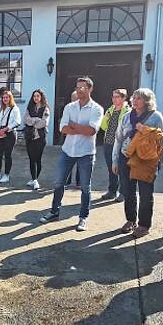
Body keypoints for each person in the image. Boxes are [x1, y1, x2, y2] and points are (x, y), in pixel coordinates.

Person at [40, 77, 104, 231]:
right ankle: (54, 212)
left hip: (86, 153)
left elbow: (92, 131)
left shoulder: (97, 109)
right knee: (59, 183)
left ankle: (83, 217)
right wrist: (80, 128)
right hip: (68, 151)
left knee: (85, 187)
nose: (79, 90)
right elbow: (62, 128)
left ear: (90, 89)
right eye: (77, 87)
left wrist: (73, 126)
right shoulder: (70, 107)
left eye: (82, 87)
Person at [112, 88, 163, 238]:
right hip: (126, 157)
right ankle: (131, 220)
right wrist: (115, 160)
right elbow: (118, 139)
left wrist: (145, 130)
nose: (135, 101)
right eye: (134, 98)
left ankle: (144, 225)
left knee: (145, 193)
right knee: (128, 191)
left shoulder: (156, 117)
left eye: (139, 98)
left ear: (147, 101)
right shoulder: (126, 117)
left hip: (146, 160)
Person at [100, 88, 130, 202]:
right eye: (113, 97)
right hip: (108, 142)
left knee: (122, 169)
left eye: (117, 97)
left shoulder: (128, 111)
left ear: (123, 98)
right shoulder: (110, 109)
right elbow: (103, 126)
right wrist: (106, 117)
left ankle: (123, 192)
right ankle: (112, 191)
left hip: (121, 145)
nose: (114, 99)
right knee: (111, 169)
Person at [0, 90, 21, 184]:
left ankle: (6, 175)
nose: (5, 99)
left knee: (7, 155)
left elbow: (17, 122)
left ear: (10, 98)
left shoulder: (15, 109)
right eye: (3, 97)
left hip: (10, 134)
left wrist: (6, 129)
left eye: (7, 97)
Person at [23, 89, 51, 191]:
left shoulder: (45, 109)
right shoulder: (29, 107)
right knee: (31, 159)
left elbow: (44, 123)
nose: (36, 98)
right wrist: (35, 119)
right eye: (34, 96)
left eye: (38, 96)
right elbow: (26, 120)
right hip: (30, 137)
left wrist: (33, 121)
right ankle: (34, 179)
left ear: (41, 97)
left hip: (40, 138)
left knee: (37, 159)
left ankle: (35, 179)